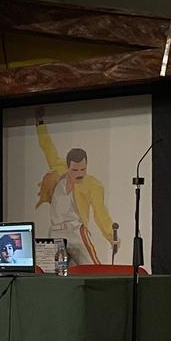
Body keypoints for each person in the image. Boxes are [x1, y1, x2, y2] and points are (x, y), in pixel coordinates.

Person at [33, 106, 118, 264]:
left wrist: (110, 236)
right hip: (55, 233)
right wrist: (40, 123)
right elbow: (48, 147)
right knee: (55, 273)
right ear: (67, 166)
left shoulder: (93, 185)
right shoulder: (59, 172)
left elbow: (101, 212)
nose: (79, 173)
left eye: (83, 169)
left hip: (76, 231)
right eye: (75, 169)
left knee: (91, 268)